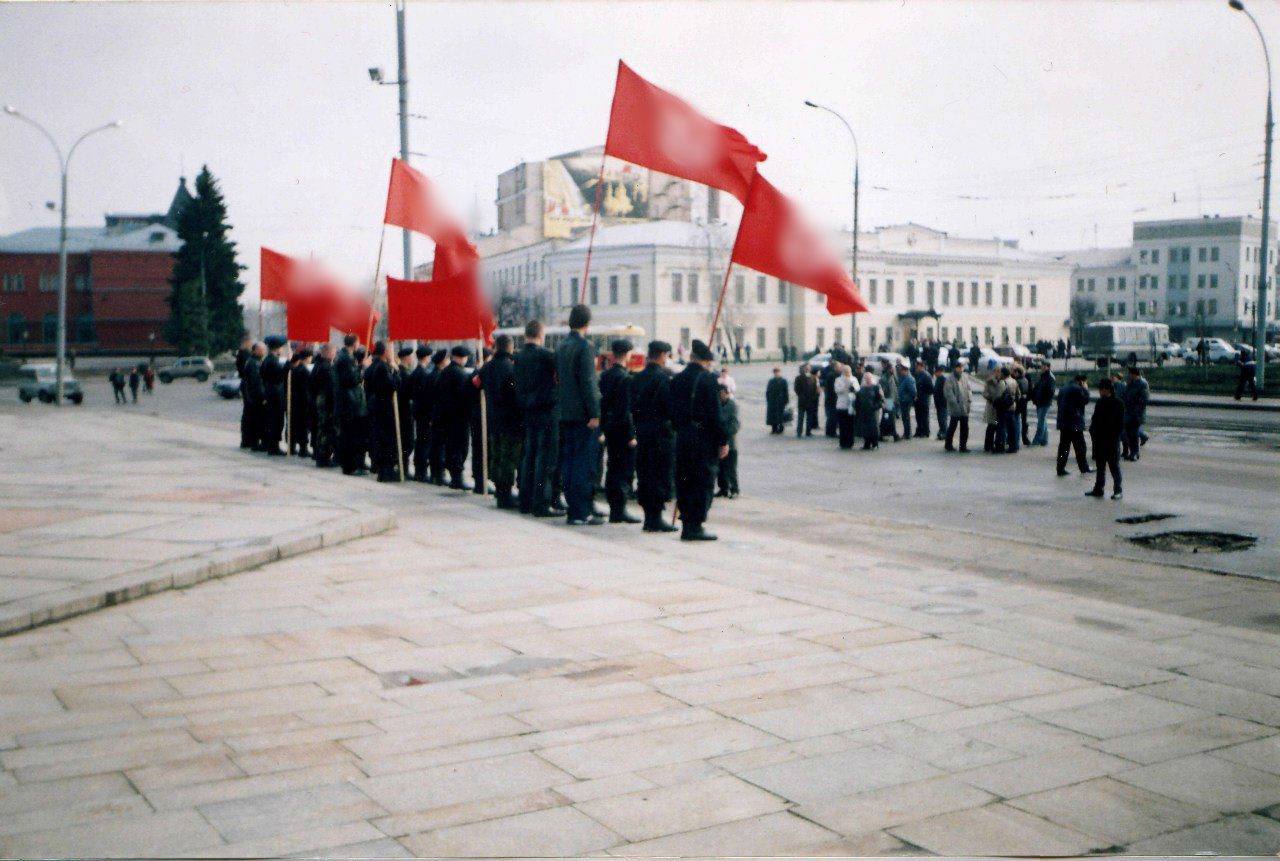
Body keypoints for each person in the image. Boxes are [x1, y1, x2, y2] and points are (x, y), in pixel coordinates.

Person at [670, 340, 728, 541]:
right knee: (702, 481)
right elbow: (716, 414)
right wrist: (723, 440)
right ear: (706, 361)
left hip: (683, 436)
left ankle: (687, 523)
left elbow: (672, 411)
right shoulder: (708, 380)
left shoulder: (678, 379)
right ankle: (695, 525)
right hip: (703, 439)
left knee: (684, 479)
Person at [557, 304, 603, 526]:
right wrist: (594, 412)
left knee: (569, 461)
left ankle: (572, 509)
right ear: (587, 323)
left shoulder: (562, 345)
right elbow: (588, 382)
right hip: (582, 414)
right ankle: (581, 511)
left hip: (565, 412)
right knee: (583, 464)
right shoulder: (585, 346)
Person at [515, 321, 560, 516]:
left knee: (529, 455)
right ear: (541, 334)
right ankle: (541, 501)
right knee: (545, 459)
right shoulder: (545, 356)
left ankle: (525, 500)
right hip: (546, 410)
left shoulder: (519, 357)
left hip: (527, 410)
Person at [632, 340, 678, 532]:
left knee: (645, 475)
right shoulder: (662, 379)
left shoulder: (638, 377)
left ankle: (649, 517)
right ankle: (656, 518)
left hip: (642, 433)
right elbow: (670, 409)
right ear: (661, 355)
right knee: (659, 475)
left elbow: (632, 407)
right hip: (660, 435)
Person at [477, 333, 523, 509]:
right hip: (510, 421)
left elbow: (474, 384)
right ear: (510, 347)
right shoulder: (511, 368)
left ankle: (500, 492)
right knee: (509, 459)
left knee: (497, 457)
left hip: (492, 418)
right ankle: (505, 495)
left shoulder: (487, 367)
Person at [599, 338, 640, 523]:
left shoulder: (605, 376)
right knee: (624, 471)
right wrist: (631, 435)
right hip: (622, 431)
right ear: (627, 354)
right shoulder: (626, 378)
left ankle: (614, 508)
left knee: (612, 468)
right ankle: (619, 509)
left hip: (609, 429)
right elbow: (625, 411)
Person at [363, 342, 402, 482]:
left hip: (375, 406)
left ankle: (382, 469)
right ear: (385, 352)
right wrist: (396, 372)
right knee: (386, 440)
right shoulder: (383, 367)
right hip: (383, 407)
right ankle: (386, 472)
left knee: (379, 439)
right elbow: (393, 386)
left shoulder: (372, 367)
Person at [334, 334, 368, 476]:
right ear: (354, 343)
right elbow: (352, 379)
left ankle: (351, 464)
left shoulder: (343, 357)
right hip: (350, 403)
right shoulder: (346, 359)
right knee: (351, 436)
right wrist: (362, 367)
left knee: (349, 435)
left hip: (347, 402)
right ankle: (350, 466)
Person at [1088, 377, 1125, 499]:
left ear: (1107, 390)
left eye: (1101, 390)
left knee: (1114, 466)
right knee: (1100, 467)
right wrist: (1093, 431)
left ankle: (1118, 490)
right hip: (1099, 440)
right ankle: (1098, 488)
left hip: (1111, 440)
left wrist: (1115, 436)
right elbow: (1095, 420)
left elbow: (1120, 424)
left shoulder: (1118, 403)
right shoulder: (1100, 402)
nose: (1100, 392)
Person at [407, 346, 435, 482]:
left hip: (417, 411)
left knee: (420, 441)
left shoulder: (414, 373)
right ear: (427, 357)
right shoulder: (425, 374)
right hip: (424, 412)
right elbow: (428, 397)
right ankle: (421, 471)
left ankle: (419, 469)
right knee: (425, 442)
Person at [1056, 373, 1092, 476]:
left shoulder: (1064, 389)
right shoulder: (1077, 389)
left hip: (1064, 422)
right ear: (1082, 381)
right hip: (1074, 422)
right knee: (1080, 447)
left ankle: (1060, 468)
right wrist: (1085, 389)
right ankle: (1084, 467)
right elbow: (1085, 400)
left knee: (1064, 447)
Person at [310, 343, 338, 468]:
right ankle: (323, 457)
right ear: (327, 353)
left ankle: (321, 455)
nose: (334, 354)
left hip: (321, 399)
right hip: (326, 401)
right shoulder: (326, 367)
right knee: (326, 429)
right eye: (333, 352)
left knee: (322, 428)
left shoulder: (318, 365)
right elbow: (331, 386)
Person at [260, 336, 288, 456]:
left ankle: (273, 445)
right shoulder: (272, 361)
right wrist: (288, 364)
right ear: (277, 348)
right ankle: (274, 447)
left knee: (274, 420)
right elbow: (280, 375)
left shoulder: (268, 360)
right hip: (274, 394)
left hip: (271, 393)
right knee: (276, 421)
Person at [426, 349, 451, 484]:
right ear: (442, 362)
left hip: (434, 415)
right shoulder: (439, 376)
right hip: (439, 415)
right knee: (440, 446)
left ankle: (434, 473)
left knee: (435, 445)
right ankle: (439, 474)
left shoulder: (432, 375)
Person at [715, 383, 741, 497]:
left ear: (727, 393)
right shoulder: (716, 405)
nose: (721, 396)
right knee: (720, 468)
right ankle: (723, 488)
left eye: (722, 393)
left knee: (731, 468)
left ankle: (734, 489)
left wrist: (725, 431)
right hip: (718, 441)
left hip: (730, 442)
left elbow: (735, 424)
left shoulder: (733, 405)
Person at [287, 348, 312, 458]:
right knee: (303, 427)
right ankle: (303, 449)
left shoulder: (294, 370)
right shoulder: (305, 371)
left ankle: (291, 447)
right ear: (308, 358)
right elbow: (307, 389)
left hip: (295, 401)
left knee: (294, 425)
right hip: (303, 402)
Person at [396, 346, 416, 476]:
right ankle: (404, 468)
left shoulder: (402, 372)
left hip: (403, 410)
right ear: (407, 358)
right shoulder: (404, 373)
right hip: (405, 411)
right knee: (406, 441)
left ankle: (403, 467)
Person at [241, 345, 265, 450]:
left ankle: (247, 441)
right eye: (261, 350)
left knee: (249, 419)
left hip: (250, 396)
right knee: (254, 420)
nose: (263, 352)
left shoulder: (253, 361)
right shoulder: (252, 363)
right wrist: (261, 396)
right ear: (255, 351)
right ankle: (253, 443)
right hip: (253, 397)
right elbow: (256, 382)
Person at [1123, 365, 1150, 460]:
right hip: (1128, 412)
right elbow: (1126, 395)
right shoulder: (1131, 382)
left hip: (1137, 414)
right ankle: (1131, 451)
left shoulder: (1143, 384)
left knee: (1134, 434)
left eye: (1130, 374)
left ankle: (1135, 453)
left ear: (1135, 374)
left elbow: (1143, 400)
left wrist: (1136, 412)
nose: (1129, 375)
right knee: (1128, 434)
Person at [943, 363, 971, 452]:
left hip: (965, 407)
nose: (961, 369)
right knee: (952, 426)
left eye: (962, 367)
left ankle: (963, 446)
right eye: (959, 367)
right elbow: (948, 393)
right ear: (955, 368)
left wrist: (969, 399)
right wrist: (955, 403)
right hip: (955, 408)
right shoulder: (949, 378)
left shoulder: (965, 377)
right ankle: (948, 444)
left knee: (965, 427)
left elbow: (969, 389)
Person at [1031, 361, 1057, 447]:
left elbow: (1050, 391)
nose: (1041, 367)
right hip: (1040, 402)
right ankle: (1044, 440)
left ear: (1048, 367)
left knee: (1041, 422)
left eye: (1043, 366)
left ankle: (1037, 440)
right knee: (1042, 421)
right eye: (1041, 366)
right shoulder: (1044, 376)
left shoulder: (1050, 377)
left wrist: (1041, 397)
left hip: (1044, 402)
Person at [855, 371, 883, 449]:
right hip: (864, 412)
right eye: (866, 378)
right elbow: (858, 399)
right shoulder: (862, 389)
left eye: (869, 378)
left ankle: (875, 444)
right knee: (865, 429)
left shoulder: (876, 387)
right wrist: (858, 409)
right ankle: (866, 444)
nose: (868, 379)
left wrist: (875, 407)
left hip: (873, 412)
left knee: (873, 428)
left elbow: (880, 400)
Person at [236, 338, 255, 448]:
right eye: (249, 343)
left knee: (247, 414)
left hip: (245, 384)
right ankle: (247, 440)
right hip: (247, 384)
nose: (250, 345)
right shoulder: (245, 355)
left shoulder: (241, 354)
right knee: (249, 413)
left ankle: (246, 440)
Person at [834, 363, 856, 449]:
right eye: (846, 372)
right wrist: (845, 385)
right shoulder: (838, 380)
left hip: (851, 406)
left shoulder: (854, 379)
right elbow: (837, 390)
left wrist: (854, 388)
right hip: (841, 405)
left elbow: (857, 389)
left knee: (851, 425)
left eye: (849, 371)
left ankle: (850, 442)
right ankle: (843, 442)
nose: (848, 373)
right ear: (843, 372)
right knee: (843, 425)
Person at [794, 364, 819, 437]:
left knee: (809, 418)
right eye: (806, 368)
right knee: (800, 417)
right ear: (804, 369)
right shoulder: (798, 378)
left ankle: (808, 432)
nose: (808, 369)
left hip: (811, 401)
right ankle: (799, 432)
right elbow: (796, 389)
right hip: (802, 401)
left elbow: (815, 389)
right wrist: (801, 396)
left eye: (809, 368)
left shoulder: (813, 377)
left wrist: (814, 397)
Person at [878, 360, 899, 442]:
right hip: (887, 401)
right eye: (892, 369)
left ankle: (883, 433)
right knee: (889, 418)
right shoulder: (884, 379)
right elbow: (882, 391)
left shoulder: (892, 377)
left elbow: (895, 389)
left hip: (892, 400)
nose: (893, 370)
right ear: (888, 369)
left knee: (886, 418)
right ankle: (894, 434)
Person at [765, 367, 789, 434]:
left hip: (780, 401)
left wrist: (786, 400)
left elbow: (786, 391)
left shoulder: (783, 381)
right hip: (772, 401)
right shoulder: (771, 381)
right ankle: (774, 428)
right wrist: (768, 399)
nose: (776, 374)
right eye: (775, 372)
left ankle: (781, 428)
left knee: (780, 415)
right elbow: (768, 391)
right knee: (772, 416)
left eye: (777, 372)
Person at [896, 363, 917, 440]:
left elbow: (913, 391)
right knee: (904, 417)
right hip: (903, 400)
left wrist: (910, 397)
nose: (900, 371)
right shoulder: (903, 377)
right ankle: (906, 433)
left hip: (906, 400)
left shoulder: (909, 378)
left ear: (905, 370)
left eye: (901, 370)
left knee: (906, 417)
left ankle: (907, 434)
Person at [912, 360, 932, 438]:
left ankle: (926, 432)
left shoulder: (926, 375)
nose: (916, 368)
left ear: (921, 367)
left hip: (924, 399)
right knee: (918, 416)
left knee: (924, 416)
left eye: (917, 366)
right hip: (917, 399)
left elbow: (930, 389)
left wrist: (924, 395)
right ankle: (919, 431)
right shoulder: (917, 374)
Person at [1014, 364, 1031, 447]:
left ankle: (1016, 440)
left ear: (1017, 372)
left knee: (1016, 421)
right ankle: (1025, 438)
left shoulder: (1017, 381)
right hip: (1024, 403)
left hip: (1018, 403)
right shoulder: (1025, 380)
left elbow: (1016, 393)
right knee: (1024, 421)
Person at [821, 361, 839, 437]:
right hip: (832, 399)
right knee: (832, 416)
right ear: (835, 367)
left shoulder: (830, 374)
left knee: (830, 416)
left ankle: (829, 431)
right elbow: (833, 389)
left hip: (829, 398)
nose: (839, 368)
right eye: (838, 366)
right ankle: (831, 432)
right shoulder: (833, 375)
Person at [932, 366, 948, 441]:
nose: (935, 374)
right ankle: (941, 431)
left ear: (939, 372)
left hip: (943, 403)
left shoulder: (943, 380)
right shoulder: (938, 379)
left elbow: (945, 392)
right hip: (938, 403)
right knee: (940, 418)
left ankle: (945, 433)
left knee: (943, 418)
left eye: (936, 372)